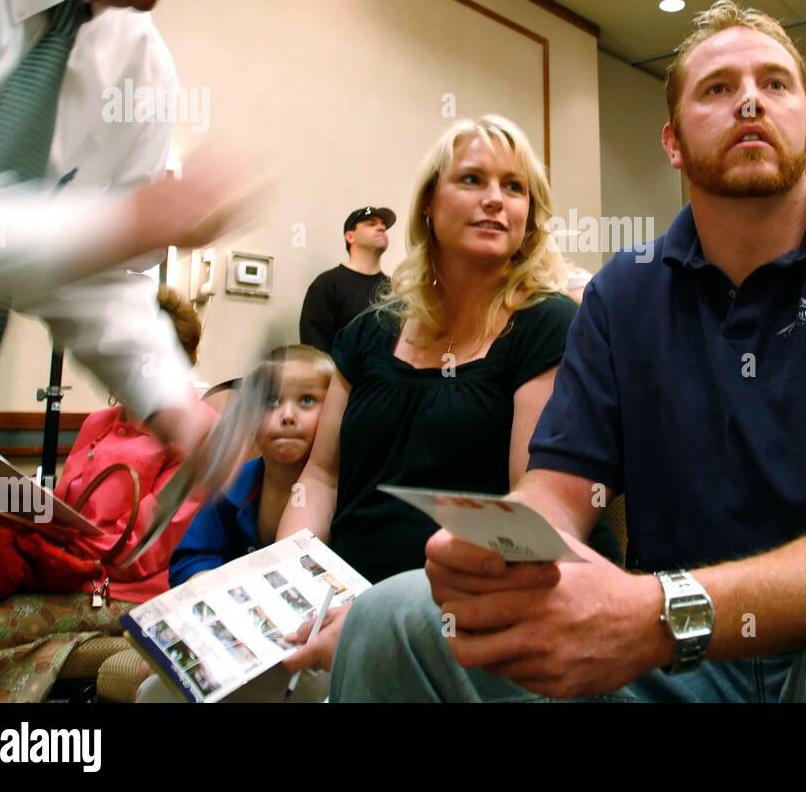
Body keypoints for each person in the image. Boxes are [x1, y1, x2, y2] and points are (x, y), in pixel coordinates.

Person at [327, 2, 806, 703]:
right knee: (394, 617)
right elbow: (557, 495)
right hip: (679, 658)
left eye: (774, 84)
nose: (748, 104)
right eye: (718, 88)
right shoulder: (621, 294)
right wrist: (499, 553)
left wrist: (663, 610)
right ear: (672, 141)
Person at [0, 0, 302, 612]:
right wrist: (117, 224)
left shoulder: (138, 66)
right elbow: (90, 243)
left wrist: (173, 406)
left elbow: (98, 284)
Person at [278, 116, 620, 672]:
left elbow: (529, 518)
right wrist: (289, 579)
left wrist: (380, 616)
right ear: (428, 206)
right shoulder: (368, 332)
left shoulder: (549, 326)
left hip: (471, 616)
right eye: (472, 180)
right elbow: (320, 478)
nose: (495, 200)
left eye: (514, 188)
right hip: (340, 602)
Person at [0, 286, 214, 701]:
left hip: (123, 591)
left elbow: (146, 549)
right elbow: (64, 513)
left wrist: (65, 556)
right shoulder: (98, 422)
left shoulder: (197, 431)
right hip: (66, 572)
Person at [170, 345, 334, 585]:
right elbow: (192, 556)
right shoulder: (233, 484)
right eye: (270, 401)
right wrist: (207, 582)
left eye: (306, 400)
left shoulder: (347, 495)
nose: (287, 415)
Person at [299, 206, 395, 352]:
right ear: (350, 237)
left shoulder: (395, 289)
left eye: (383, 225)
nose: (381, 228)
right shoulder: (328, 284)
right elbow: (314, 350)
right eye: (371, 224)